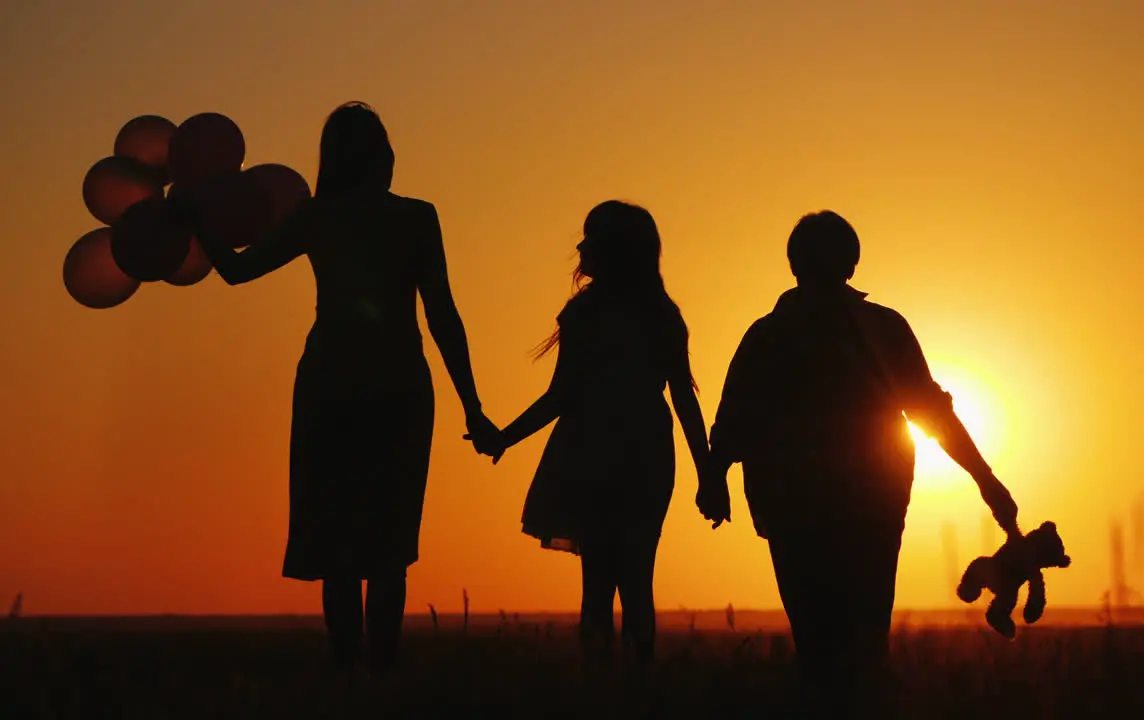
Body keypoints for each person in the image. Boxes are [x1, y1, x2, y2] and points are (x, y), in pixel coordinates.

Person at [182, 102, 501, 676]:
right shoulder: (416, 217)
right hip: (399, 384)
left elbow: (235, 271)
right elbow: (443, 315)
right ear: (382, 156)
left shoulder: (317, 216)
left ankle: (347, 677)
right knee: (387, 544)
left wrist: (195, 220)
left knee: (337, 547)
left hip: (330, 383)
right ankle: (379, 675)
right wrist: (472, 406)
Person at [699, 210, 1018, 709]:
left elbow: (734, 420)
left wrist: (715, 478)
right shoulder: (860, 328)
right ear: (851, 263)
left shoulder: (774, 332)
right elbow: (931, 411)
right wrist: (986, 480)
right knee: (860, 632)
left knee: (822, 632)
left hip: (815, 502)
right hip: (849, 502)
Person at [475, 200, 716, 667]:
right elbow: (684, 401)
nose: (581, 246)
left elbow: (559, 397)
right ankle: (636, 691)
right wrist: (707, 475)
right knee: (637, 583)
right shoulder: (661, 313)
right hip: (646, 452)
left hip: (593, 452)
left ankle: (602, 691)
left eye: (591, 238)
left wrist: (505, 437)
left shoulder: (586, 313)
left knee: (599, 584)